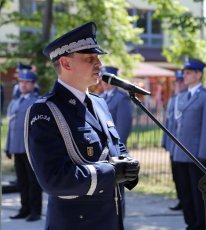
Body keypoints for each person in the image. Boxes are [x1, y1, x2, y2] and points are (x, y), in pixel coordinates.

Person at [24, 22, 140, 230]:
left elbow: (114, 146)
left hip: (111, 220)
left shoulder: (99, 103)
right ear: (66, 64)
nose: (99, 64)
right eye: (89, 58)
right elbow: (53, 179)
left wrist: (129, 168)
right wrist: (112, 173)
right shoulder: (45, 111)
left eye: (98, 58)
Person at [172, 57, 206, 230]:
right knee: (185, 193)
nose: (185, 75)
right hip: (180, 154)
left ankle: (201, 225)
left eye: (189, 72)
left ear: (198, 75)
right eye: (184, 72)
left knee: (199, 193)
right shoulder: (182, 97)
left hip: (196, 155)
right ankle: (191, 224)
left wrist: (203, 154)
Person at [5, 69, 42, 221]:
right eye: (21, 82)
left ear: (33, 84)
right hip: (16, 148)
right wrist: (8, 146)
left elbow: (39, 129)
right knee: (22, 181)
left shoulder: (36, 102)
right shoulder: (14, 102)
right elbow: (10, 126)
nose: (23, 85)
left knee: (33, 182)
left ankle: (35, 211)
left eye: (27, 82)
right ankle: (24, 209)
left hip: (30, 149)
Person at [162, 70, 187, 211]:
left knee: (185, 177)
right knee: (176, 176)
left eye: (180, 81)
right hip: (173, 145)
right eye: (176, 81)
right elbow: (168, 122)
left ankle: (187, 201)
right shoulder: (173, 99)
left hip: (183, 146)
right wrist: (165, 141)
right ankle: (181, 200)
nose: (178, 84)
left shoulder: (185, 98)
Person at [100, 66, 133, 145]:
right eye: (103, 78)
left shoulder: (122, 98)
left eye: (107, 79)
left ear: (114, 81)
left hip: (113, 146)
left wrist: (118, 148)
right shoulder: (99, 97)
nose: (104, 82)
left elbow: (122, 127)